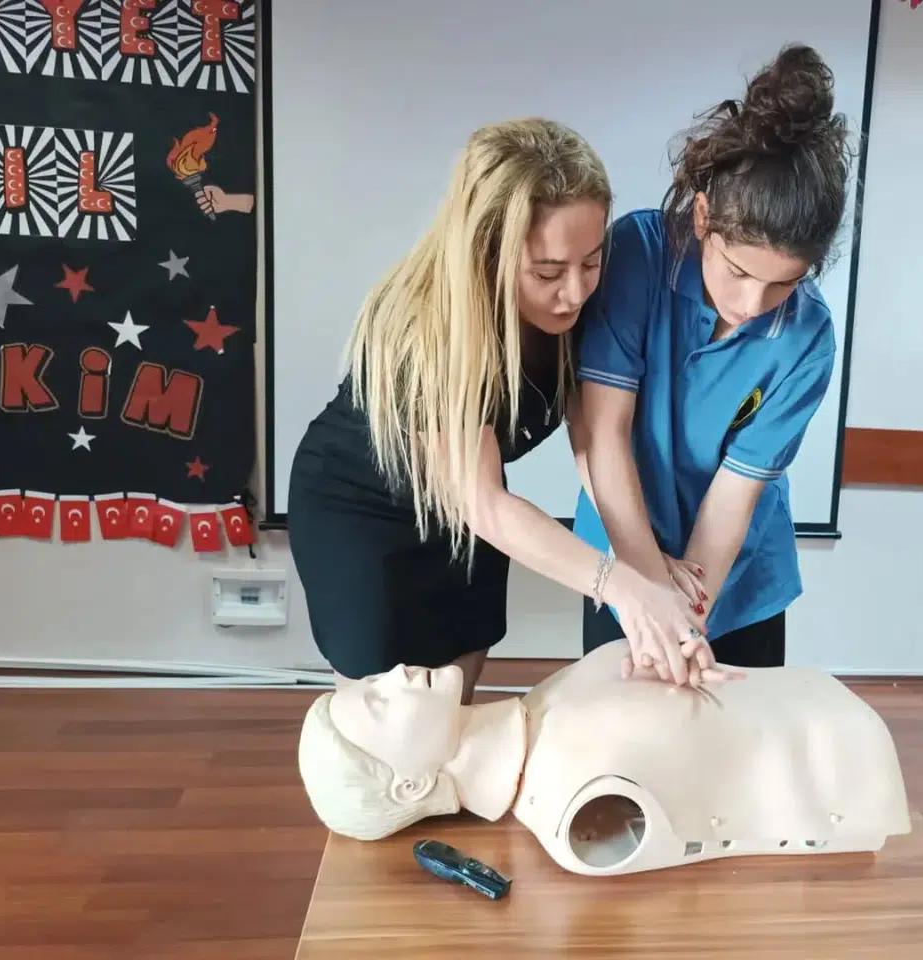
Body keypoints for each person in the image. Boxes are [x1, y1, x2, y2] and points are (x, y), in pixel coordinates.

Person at [287, 119, 712, 704]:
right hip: (363, 513)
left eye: (591, 262)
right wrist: (619, 586)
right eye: (547, 272)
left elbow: (593, 441)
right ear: (486, 251)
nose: (576, 292)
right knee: (391, 729)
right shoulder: (421, 330)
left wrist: (642, 566)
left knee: (454, 708)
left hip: (464, 519)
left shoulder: (580, 305)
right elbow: (484, 503)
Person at [570, 44, 851, 673]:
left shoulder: (808, 338)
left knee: (733, 728)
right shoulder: (638, 256)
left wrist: (686, 621)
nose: (752, 304)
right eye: (739, 271)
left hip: (735, 581)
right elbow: (603, 434)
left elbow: (732, 499)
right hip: (621, 550)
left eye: (783, 284)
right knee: (626, 728)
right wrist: (649, 592)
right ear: (702, 217)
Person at [296, 637, 912, 876]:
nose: (396, 674)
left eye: (373, 682)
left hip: (831, 722)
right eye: (380, 703)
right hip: (841, 757)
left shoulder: (545, 704)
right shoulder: (573, 803)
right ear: (410, 786)